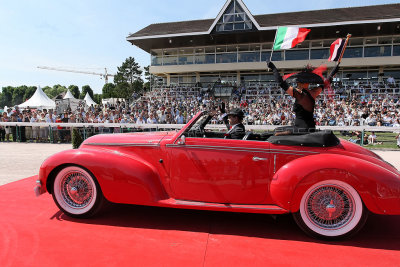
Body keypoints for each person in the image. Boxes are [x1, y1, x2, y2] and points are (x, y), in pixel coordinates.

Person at [268, 61, 339, 135]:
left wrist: (273, 67)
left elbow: (281, 82)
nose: (297, 83)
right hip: (309, 127)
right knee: (277, 130)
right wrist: (334, 70)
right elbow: (327, 82)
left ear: (302, 83)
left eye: (298, 82)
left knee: (276, 133)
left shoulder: (299, 94)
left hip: (301, 129)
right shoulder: (314, 92)